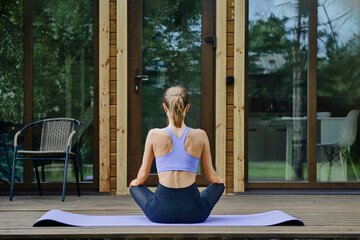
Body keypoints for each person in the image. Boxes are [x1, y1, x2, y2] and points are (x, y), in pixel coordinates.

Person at [129, 86, 225, 223]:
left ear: (164, 107)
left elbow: (142, 177)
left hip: (161, 213)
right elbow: (211, 177)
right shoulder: (200, 135)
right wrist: (221, 181)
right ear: (187, 108)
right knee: (219, 186)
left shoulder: (154, 134)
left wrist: (134, 183)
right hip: (194, 213)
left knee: (135, 188)